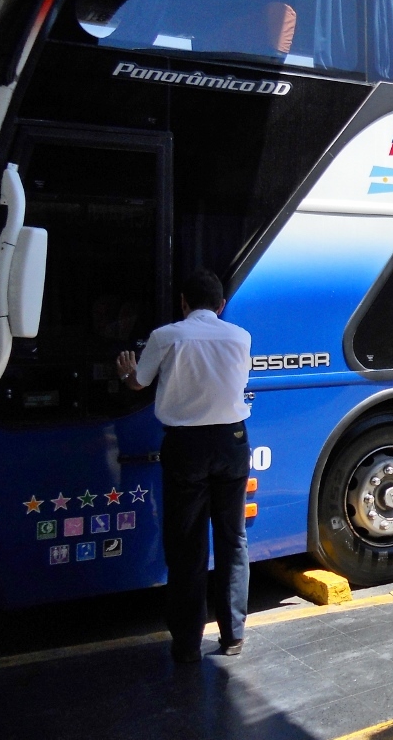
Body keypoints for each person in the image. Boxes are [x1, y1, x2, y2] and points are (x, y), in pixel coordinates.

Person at [116, 269, 253, 663]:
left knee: (187, 545)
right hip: (232, 442)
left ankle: (188, 644)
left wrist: (126, 371)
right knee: (233, 539)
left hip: (186, 446)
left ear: (183, 302)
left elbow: (139, 383)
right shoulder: (240, 336)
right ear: (221, 305)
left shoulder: (166, 336)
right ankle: (234, 637)